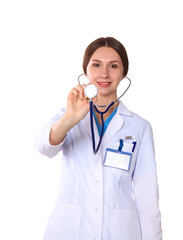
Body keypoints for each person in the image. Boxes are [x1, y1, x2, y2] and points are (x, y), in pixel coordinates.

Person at [34, 37, 162, 240]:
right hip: (70, 230)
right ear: (86, 72)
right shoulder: (67, 116)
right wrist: (70, 119)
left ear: (123, 74)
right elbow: (43, 147)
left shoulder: (140, 127)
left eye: (113, 66)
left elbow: (147, 197)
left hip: (119, 232)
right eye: (96, 65)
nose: (104, 73)